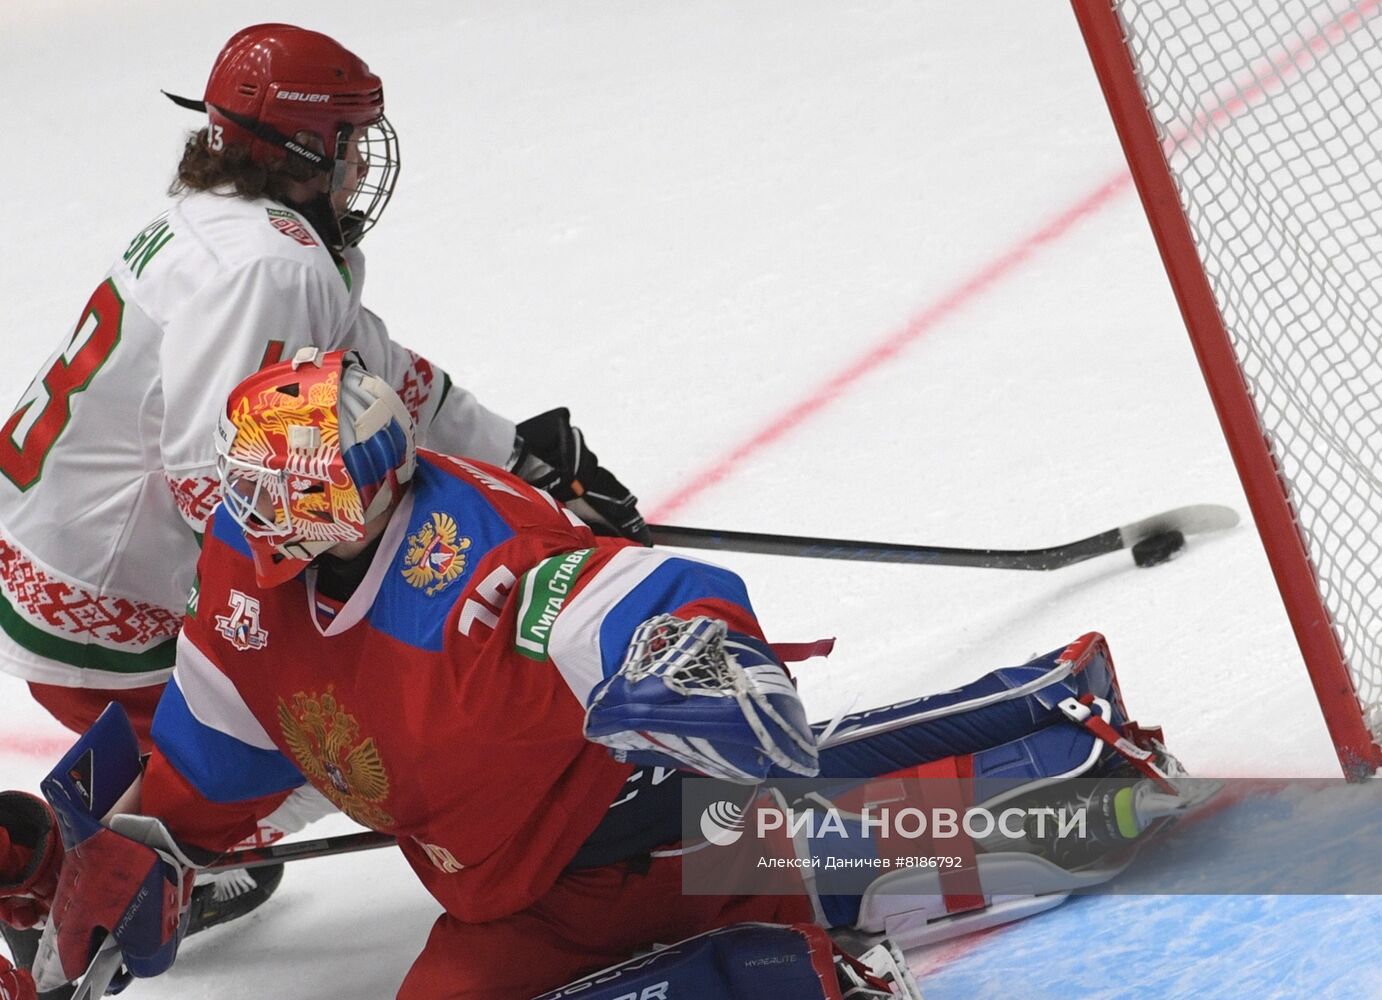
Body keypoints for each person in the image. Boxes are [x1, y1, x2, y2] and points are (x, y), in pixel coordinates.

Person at [0, 351, 1184, 1000]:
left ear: (357, 502)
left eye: (284, 506)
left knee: (1071, 820)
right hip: (511, 877)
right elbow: (226, 723)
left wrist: (700, 656)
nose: (253, 532)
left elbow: (624, 599)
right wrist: (155, 836)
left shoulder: (469, 564)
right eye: (248, 500)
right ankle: (1040, 719)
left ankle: (813, 961)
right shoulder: (251, 555)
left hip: (624, 843)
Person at [0, 23, 646, 980]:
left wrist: (526, 453)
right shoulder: (271, 266)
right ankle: (67, 882)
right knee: (341, 733)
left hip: (57, 558)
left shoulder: (237, 230)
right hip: (110, 599)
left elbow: (367, 373)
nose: (356, 168)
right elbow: (213, 484)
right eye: (347, 142)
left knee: (277, 731)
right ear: (307, 148)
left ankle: (97, 850)